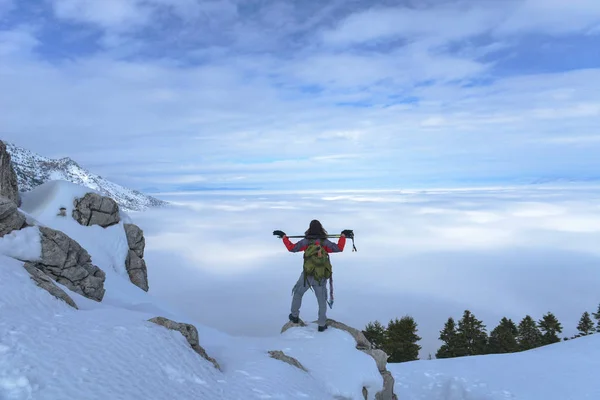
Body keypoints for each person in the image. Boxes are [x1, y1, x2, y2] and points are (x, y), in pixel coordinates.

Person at [277, 220, 346, 332]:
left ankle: (294, 316)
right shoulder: (324, 242)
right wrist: (342, 236)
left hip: (307, 276)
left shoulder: (306, 241)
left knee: (298, 293)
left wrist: (284, 237)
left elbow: (292, 248)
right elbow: (339, 248)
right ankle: (322, 324)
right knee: (321, 301)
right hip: (321, 276)